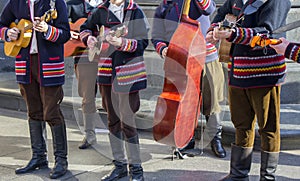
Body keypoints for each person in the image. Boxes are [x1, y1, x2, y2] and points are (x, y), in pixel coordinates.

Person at [206, 0, 291, 180]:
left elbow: (267, 32)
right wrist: (214, 30)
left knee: (268, 127)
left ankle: (267, 177)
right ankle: (238, 175)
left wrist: (232, 33)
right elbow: (221, 15)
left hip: (265, 74)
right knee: (241, 125)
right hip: (238, 71)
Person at [0, 0, 71, 179]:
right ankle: (39, 157)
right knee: (33, 112)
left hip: (49, 64)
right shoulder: (16, 2)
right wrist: (8, 32)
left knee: (52, 112)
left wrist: (48, 30)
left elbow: (65, 34)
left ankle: (61, 160)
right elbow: (1, 24)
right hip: (25, 64)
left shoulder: (55, 3)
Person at [80, 0, 149, 180]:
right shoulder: (100, 10)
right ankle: (119, 166)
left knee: (128, 121)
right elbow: (85, 28)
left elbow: (143, 43)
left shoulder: (135, 11)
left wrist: (122, 42)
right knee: (112, 120)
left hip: (128, 75)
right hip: (106, 74)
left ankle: (136, 169)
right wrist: (89, 38)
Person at [151, 0, 226, 158]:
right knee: (185, 101)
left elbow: (209, 9)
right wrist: (163, 49)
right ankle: (186, 136)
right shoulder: (164, 6)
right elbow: (157, 37)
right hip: (179, 61)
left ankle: (214, 137)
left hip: (206, 56)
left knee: (212, 100)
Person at [66, 0, 103, 149]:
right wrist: (68, 33)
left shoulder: (112, 4)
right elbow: (60, 24)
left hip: (110, 54)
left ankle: (120, 135)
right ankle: (89, 134)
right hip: (84, 54)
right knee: (87, 96)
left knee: (113, 96)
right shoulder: (72, 4)